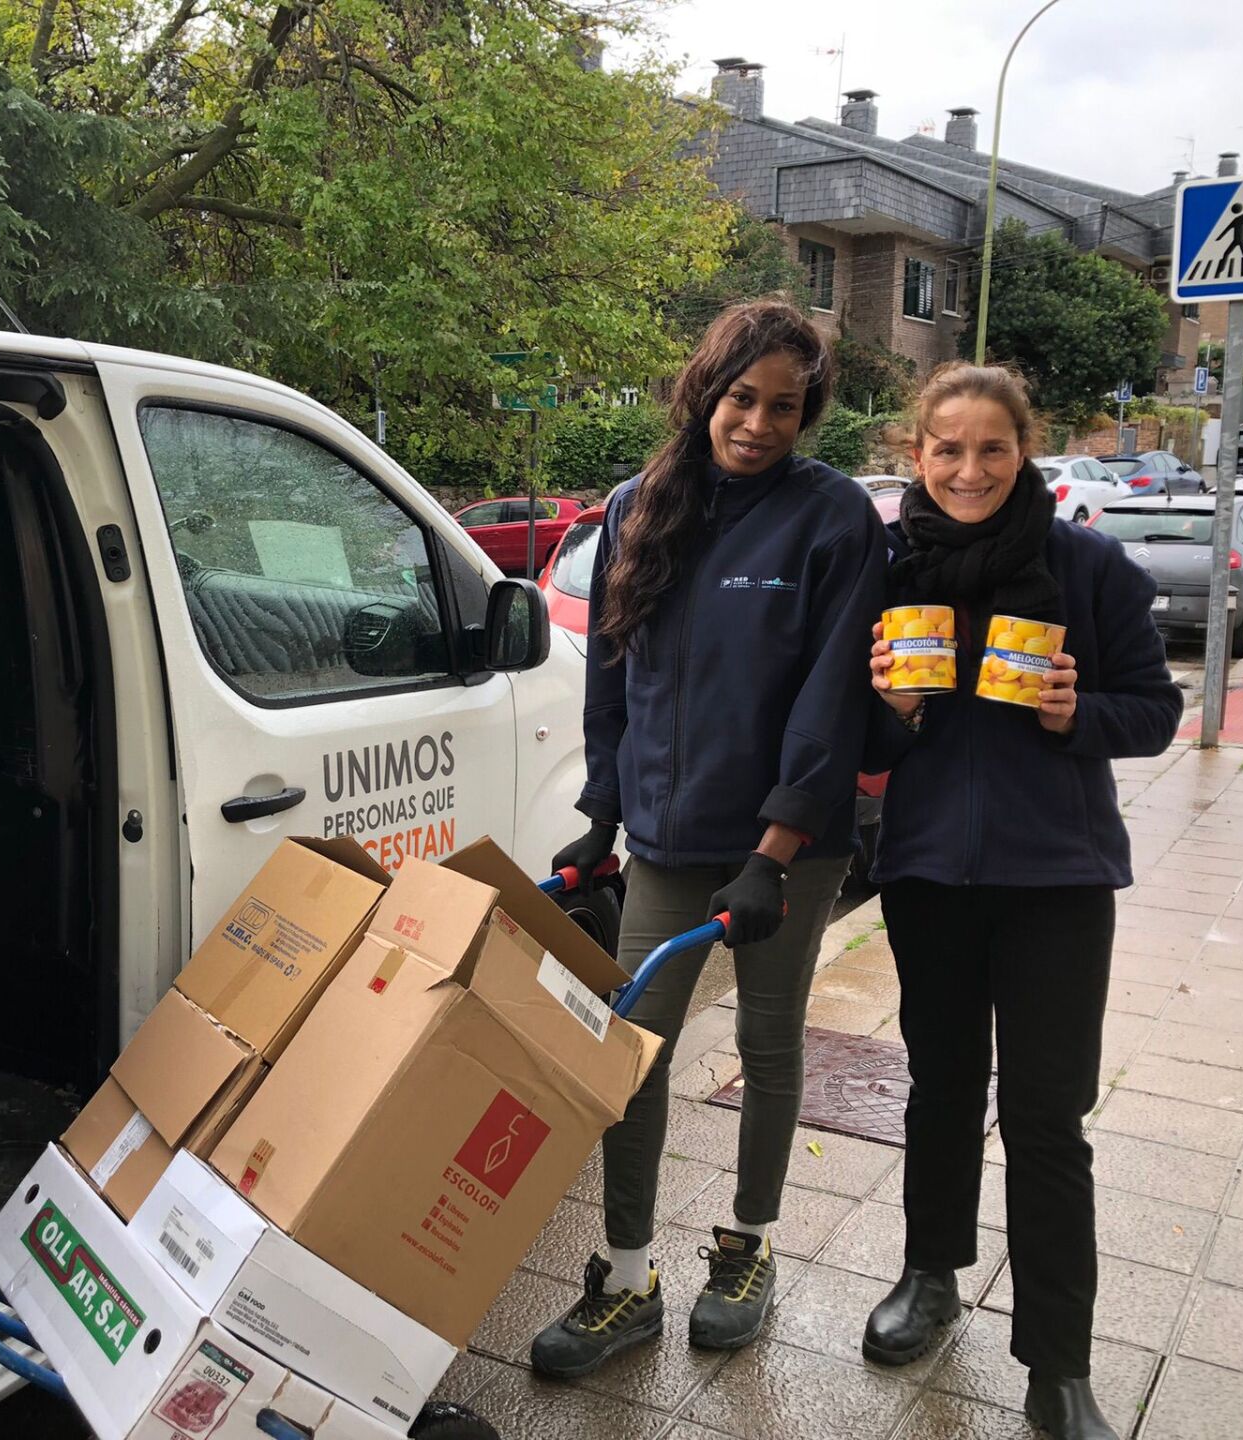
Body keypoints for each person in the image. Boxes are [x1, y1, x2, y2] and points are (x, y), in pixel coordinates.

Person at [530, 300, 887, 1378]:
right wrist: (602, 814)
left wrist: (775, 853)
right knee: (632, 1054)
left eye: (785, 407)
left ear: (807, 415)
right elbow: (612, 678)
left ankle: (748, 1245)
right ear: (705, 392)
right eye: (742, 398)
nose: (758, 424)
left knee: (769, 1045)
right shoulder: (639, 507)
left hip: (788, 850)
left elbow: (830, 701)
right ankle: (628, 1276)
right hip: (669, 842)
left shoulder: (831, 518)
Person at [859, 364, 1181, 1440]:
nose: (969, 470)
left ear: (1023, 451)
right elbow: (858, 734)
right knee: (941, 1087)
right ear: (916, 454)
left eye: (991, 449)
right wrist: (895, 710)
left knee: (1047, 1120)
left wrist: (1074, 713)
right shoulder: (889, 569)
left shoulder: (1088, 566)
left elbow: (1154, 712)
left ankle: (1059, 1364)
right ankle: (930, 1274)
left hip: (1057, 882)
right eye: (947, 450)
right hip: (928, 877)